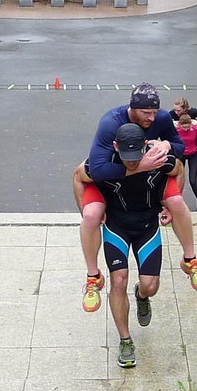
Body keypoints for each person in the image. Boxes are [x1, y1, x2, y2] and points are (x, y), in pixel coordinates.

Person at [72, 82, 197, 313]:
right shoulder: (110, 124)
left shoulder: (161, 119)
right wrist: (139, 167)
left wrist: (166, 144)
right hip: (113, 173)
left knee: (176, 203)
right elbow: (94, 170)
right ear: (132, 109)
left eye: (155, 112)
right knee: (91, 216)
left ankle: (190, 260)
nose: (152, 118)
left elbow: (178, 152)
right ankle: (93, 276)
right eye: (146, 113)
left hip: (147, 175)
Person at [76, 123, 182, 368]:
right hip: (117, 227)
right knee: (118, 280)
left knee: (150, 285)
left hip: (147, 226)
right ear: (115, 147)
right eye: (126, 157)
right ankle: (125, 340)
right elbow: (77, 176)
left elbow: (179, 169)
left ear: (145, 146)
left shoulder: (159, 160)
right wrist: (86, 209)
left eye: (136, 157)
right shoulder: (101, 164)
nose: (132, 163)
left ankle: (142, 296)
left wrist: (171, 204)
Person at [169, 97, 197, 188]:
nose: (176, 112)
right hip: (181, 134)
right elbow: (166, 120)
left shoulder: (192, 111)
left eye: (178, 110)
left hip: (193, 133)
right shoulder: (173, 113)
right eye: (175, 110)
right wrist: (174, 122)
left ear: (184, 109)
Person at [176, 115, 197, 211]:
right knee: (178, 180)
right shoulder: (176, 128)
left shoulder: (196, 128)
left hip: (193, 155)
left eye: (188, 127)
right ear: (180, 125)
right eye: (184, 127)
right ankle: (177, 202)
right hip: (181, 154)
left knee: (193, 180)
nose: (186, 129)